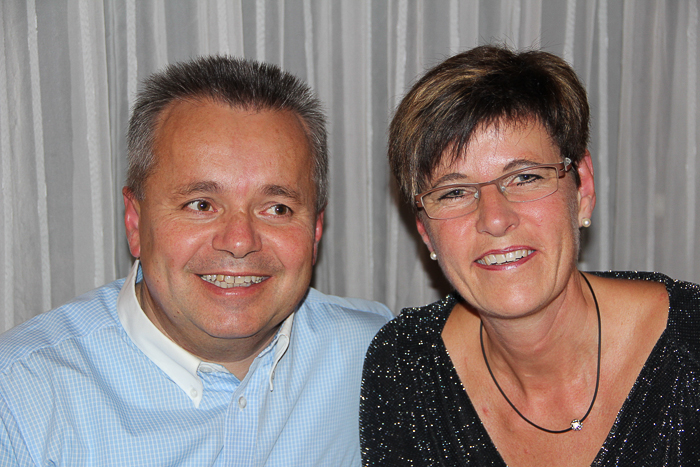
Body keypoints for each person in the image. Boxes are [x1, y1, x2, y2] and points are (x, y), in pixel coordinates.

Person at [0, 56, 392, 466]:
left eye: (277, 208)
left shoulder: (381, 358)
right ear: (135, 222)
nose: (239, 242)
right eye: (201, 204)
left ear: (315, 230)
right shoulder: (20, 401)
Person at [360, 45, 700, 466]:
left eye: (524, 177)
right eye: (454, 192)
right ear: (425, 231)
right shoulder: (406, 369)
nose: (495, 219)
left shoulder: (690, 345)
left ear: (583, 189)